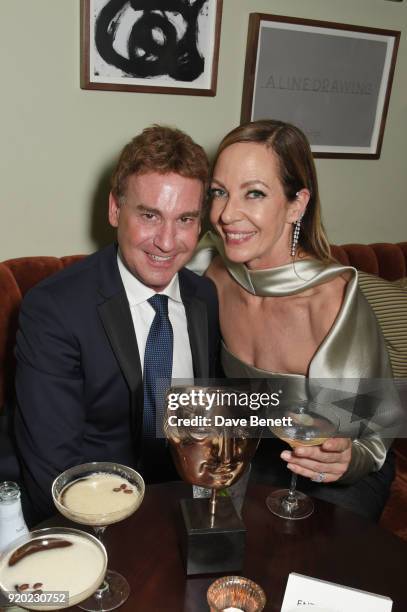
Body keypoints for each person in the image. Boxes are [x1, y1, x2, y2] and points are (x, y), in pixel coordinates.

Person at [188, 119, 397, 520]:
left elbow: (373, 435)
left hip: (336, 467)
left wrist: (346, 460)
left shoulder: (332, 302)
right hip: (257, 448)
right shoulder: (216, 277)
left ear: (297, 204)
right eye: (219, 192)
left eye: (255, 193)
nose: (227, 214)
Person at [14, 125, 221, 522]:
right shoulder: (54, 310)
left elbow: (211, 419)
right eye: (149, 215)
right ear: (114, 209)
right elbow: (53, 480)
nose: (166, 241)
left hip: (181, 507)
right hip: (94, 519)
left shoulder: (204, 298)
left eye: (185, 219)